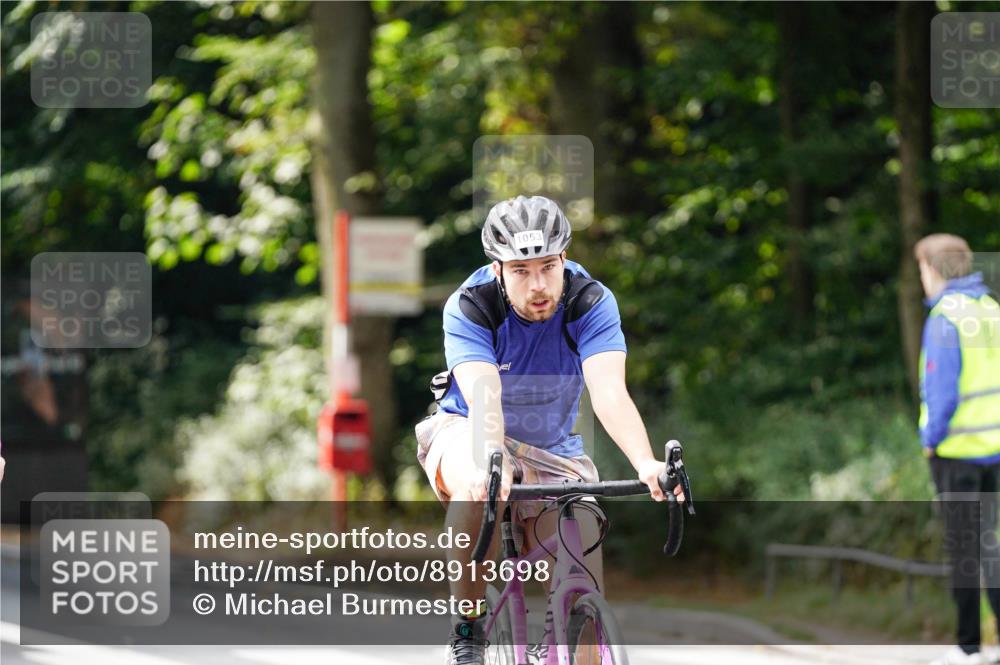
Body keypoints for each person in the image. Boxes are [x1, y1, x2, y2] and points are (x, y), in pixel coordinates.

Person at [415, 195, 683, 665]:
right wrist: (487, 463)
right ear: (496, 269)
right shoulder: (470, 305)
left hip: (553, 446)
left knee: (584, 604)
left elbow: (609, 392)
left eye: (548, 267)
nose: (538, 285)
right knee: (478, 489)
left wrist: (645, 463)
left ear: (564, 258)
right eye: (520, 271)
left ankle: (562, 640)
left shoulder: (588, 300)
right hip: (469, 428)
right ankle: (468, 624)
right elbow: (484, 396)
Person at [915, 234, 1000, 665]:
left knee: (967, 551)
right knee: (991, 549)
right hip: (995, 452)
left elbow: (942, 396)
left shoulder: (947, 316)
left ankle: (969, 648)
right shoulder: (990, 309)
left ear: (933, 268)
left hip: (958, 453)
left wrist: (929, 442)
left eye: (922, 270)